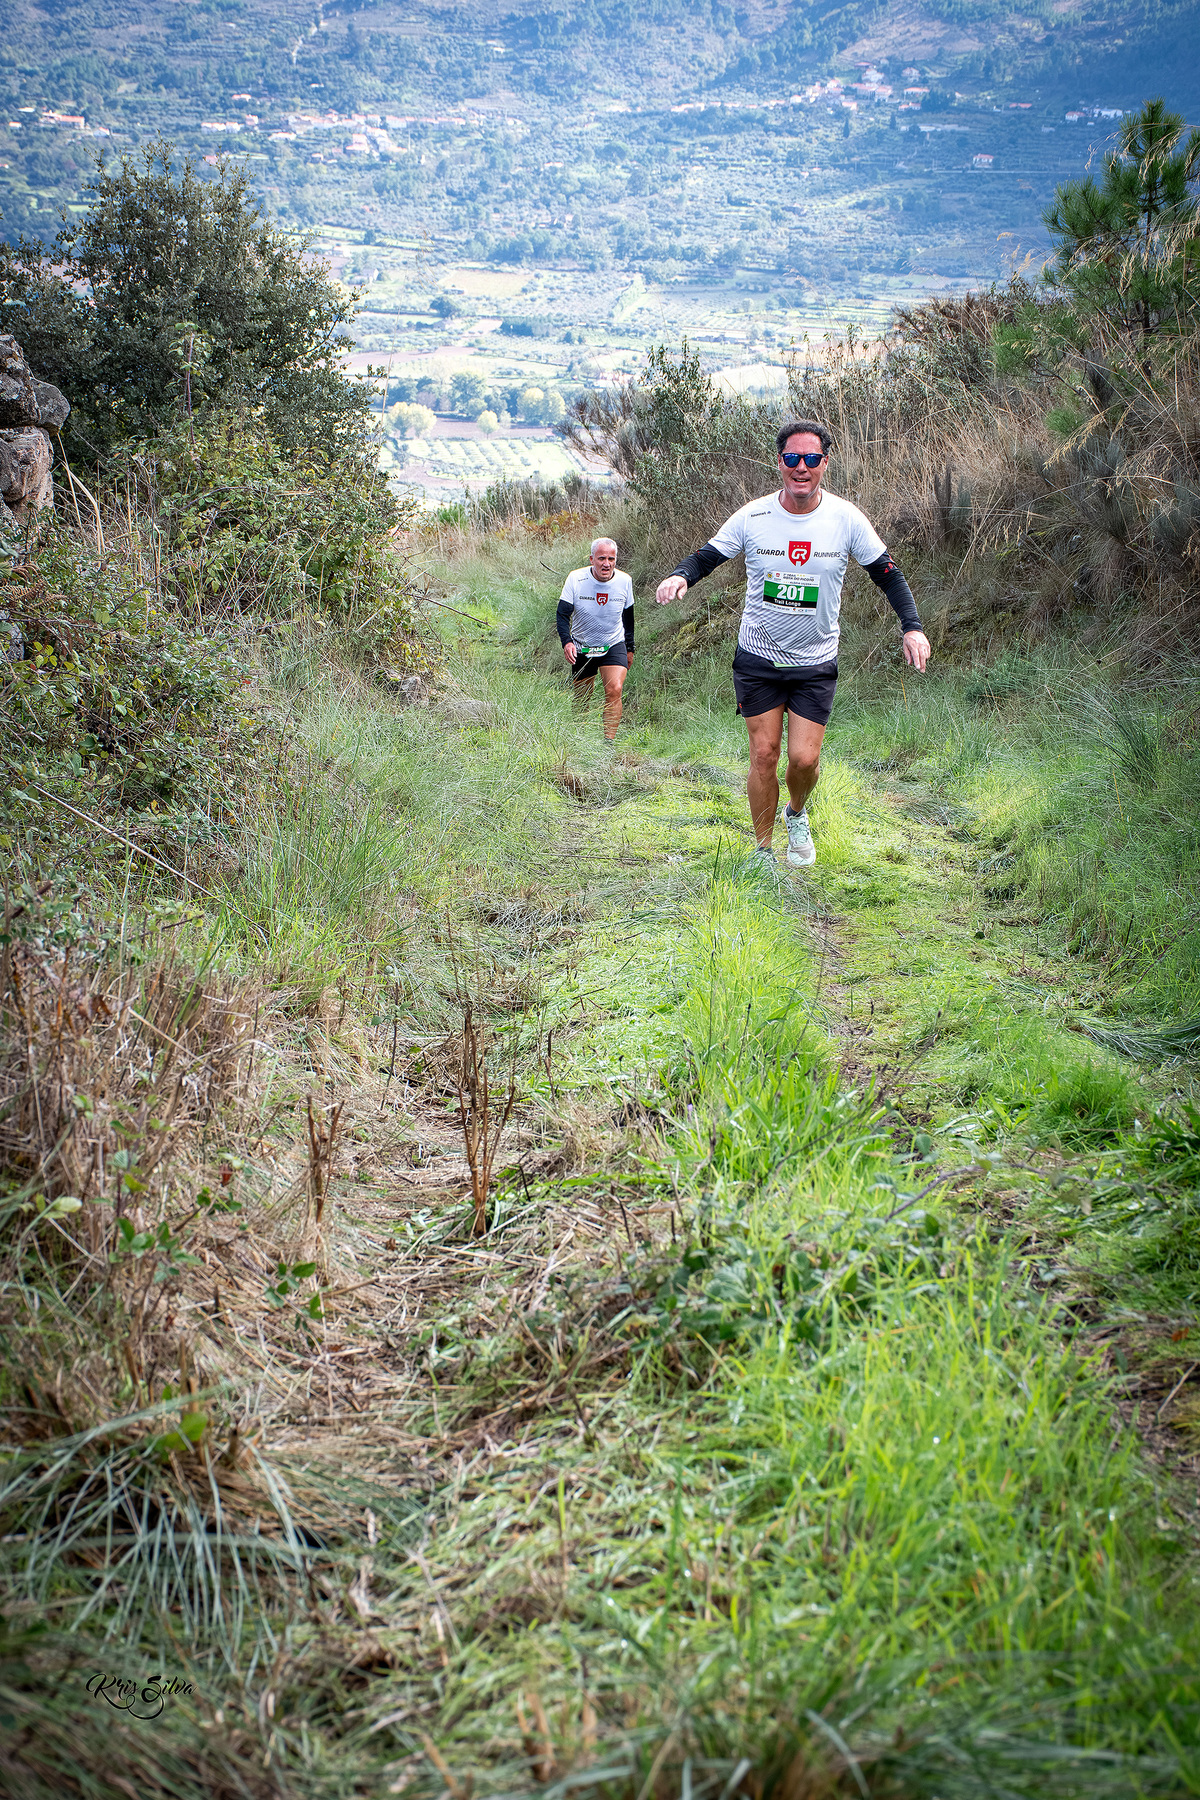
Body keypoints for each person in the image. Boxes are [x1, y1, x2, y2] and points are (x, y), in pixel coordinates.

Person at [654, 418, 930, 866]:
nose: (802, 466)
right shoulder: (754, 515)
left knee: (803, 761)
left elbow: (888, 574)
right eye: (792, 458)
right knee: (764, 755)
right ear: (779, 462)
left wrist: (911, 626)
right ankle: (763, 851)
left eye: (812, 458)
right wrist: (681, 576)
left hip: (814, 661)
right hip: (758, 656)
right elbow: (708, 555)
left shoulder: (845, 518)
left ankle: (796, 813)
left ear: (825, 463)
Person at [556, 537, 636, 743]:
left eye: (611, 559)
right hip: (583, 645)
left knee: (614, 689)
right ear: (592, 559)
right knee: (582, 696)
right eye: (601, 558)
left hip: (613, 642)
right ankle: (579, 739)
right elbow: (562, 614)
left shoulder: (625, 581)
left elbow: (628, 617)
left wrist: (630, 648)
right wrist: (567, 642)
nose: (606, 564)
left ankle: (608, 743)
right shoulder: (576, 578)